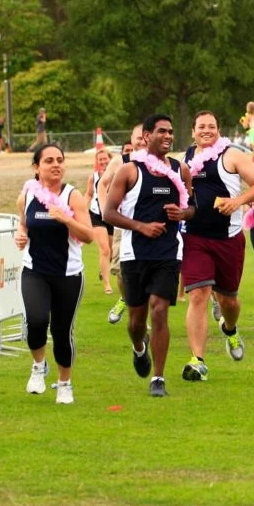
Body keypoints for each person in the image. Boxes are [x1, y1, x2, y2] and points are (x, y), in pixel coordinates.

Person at [104, 114, 194, 397]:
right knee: (135, 321)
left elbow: (193, 207)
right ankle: (139, 346)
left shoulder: (181, 170)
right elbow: (108, 213)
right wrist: (140, 226)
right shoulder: (130, 171)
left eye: (170, 132)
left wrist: (183, 213)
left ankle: (158, 378)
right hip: (135, 254)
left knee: (160, 308)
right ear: (146, 136)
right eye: (161, 132)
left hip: (168, 252)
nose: (168, 136)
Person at [181, 111, 254, 382]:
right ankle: (198, 360)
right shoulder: (185, 160)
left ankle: (230, 329)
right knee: (198, 294)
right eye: (201, 127)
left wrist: (238, 201)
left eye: (212, 126)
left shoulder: (231, 155)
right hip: (194, 238)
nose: (206, 130)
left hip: (228, 239)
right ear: (193, 131)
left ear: (219, 130)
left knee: (229, 300)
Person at [15, 144, 94, 404]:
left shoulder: (73, 196)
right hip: (35, 271)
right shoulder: (27, 195)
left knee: (61, 331)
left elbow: (88, 236)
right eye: (49, 161)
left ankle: (64, 383)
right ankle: (39, 366)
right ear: (37, 168)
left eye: (60, 160)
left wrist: (66, 219)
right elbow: (24, 223)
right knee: (36, 322)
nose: (56, 165)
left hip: (68, 274)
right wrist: (21, 234)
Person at [97, 124, 147, 324]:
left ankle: (141, 313)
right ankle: (125, 299)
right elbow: (102, 183)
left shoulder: (159, 161)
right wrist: (104, 209)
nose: (142, 141)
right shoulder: (121, 161)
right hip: (123, 224)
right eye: (138, 138)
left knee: (148, 271)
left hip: (150, 223)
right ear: (131, 139)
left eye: (145, 137)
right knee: (121, 270)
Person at [84, 149, 115, 294]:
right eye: (100, 159)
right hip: (96, 215)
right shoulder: (94, 177)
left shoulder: (118, 175)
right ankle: (107, 284)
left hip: (113, 216)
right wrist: (82, 212)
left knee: (112, 251)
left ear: (111, 160)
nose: (103, 162)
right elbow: (89, 194)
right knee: (105, 249)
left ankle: (103, 270)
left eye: (105, 159)